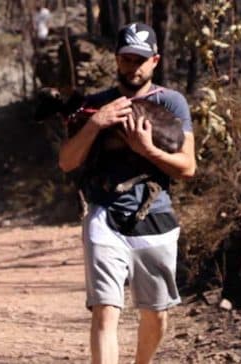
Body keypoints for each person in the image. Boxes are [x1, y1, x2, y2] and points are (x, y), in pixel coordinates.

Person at [58, 23, 196, 364]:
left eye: (140, 59)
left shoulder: (171, 102)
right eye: (126, 58)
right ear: (116, 60)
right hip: (104, 214)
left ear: (155, 61)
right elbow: (67, 162)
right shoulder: (97, 104)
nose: (133, 66)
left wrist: (146, 149)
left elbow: (187, 167)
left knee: (156, 315)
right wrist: (96, 123)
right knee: (105, 310)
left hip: (155, 217)